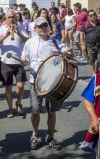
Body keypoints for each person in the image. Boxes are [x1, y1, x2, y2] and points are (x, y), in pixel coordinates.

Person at [21, 17, 71, 151]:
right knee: (35, 111)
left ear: (49, 27)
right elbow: (24, 58)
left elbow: (66, 53)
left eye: (45, 25)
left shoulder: (55, 42)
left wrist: (67, 52)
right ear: (35, 28)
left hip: (52, 83)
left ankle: (50, 138)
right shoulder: (29, 43)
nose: (43, 28)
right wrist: (24, 62)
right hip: (35, 82)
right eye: (40, 26)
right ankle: (35, 135)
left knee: (51, 112)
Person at [0, 9, 29, 118]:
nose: (11, 19)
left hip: (18, 62)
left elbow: (27, 40)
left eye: (13, 17)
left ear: (16, 17)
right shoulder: (2, 29)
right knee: (8, 88)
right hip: (6, 62)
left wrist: (18, 32)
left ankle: (18, 103)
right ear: (6, 18)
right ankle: (10, 108)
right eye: (9, 17)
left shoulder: (20, 27)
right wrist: (5, 35)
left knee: (20, 85)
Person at [80, 9, 100, 74]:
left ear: (96, 15)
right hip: (90, 46)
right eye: (91, 15)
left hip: (99, 45)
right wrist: (83, 45)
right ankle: (94, 74)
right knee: (91, 61)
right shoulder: (85, 24)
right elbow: (81, 35)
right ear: (88, 17)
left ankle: (97, 69)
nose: (93, 16)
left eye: (94, 14)